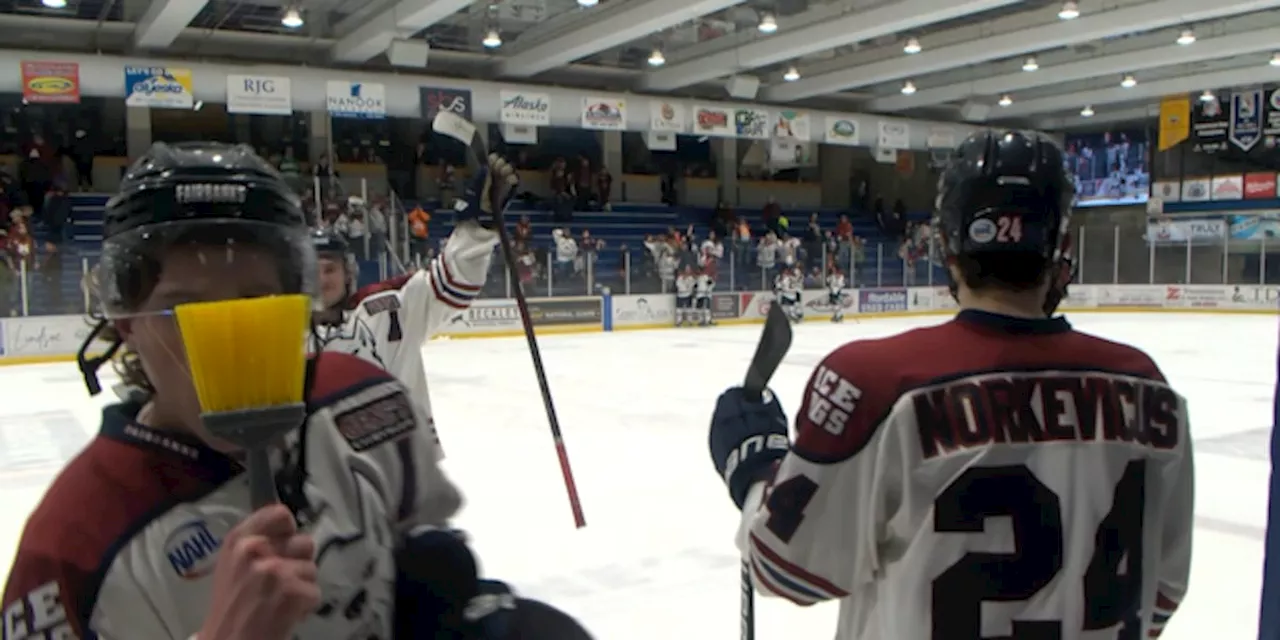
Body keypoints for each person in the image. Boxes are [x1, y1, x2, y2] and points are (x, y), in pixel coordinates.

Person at [3, 142, 589, 640]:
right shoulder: (71, 546)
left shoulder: (362, 401)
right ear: (126, 320)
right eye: (185, 308)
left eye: (257, 299)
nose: (227, 327)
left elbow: (419, 575)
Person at [707, 130, 1193, 640]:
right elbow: (1159, 595)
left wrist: (757, 468)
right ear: (1061, 248)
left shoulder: (876, 385)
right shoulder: (1150, 392)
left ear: (948, 247)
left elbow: (786, 566)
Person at [309, 153, 515, 455]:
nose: (322, 280)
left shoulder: (387, 307)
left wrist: (477, 228)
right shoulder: (282, 334)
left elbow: (451, 281)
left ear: (348, 272)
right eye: (312, 270)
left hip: (402, 472)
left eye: (330, 269)